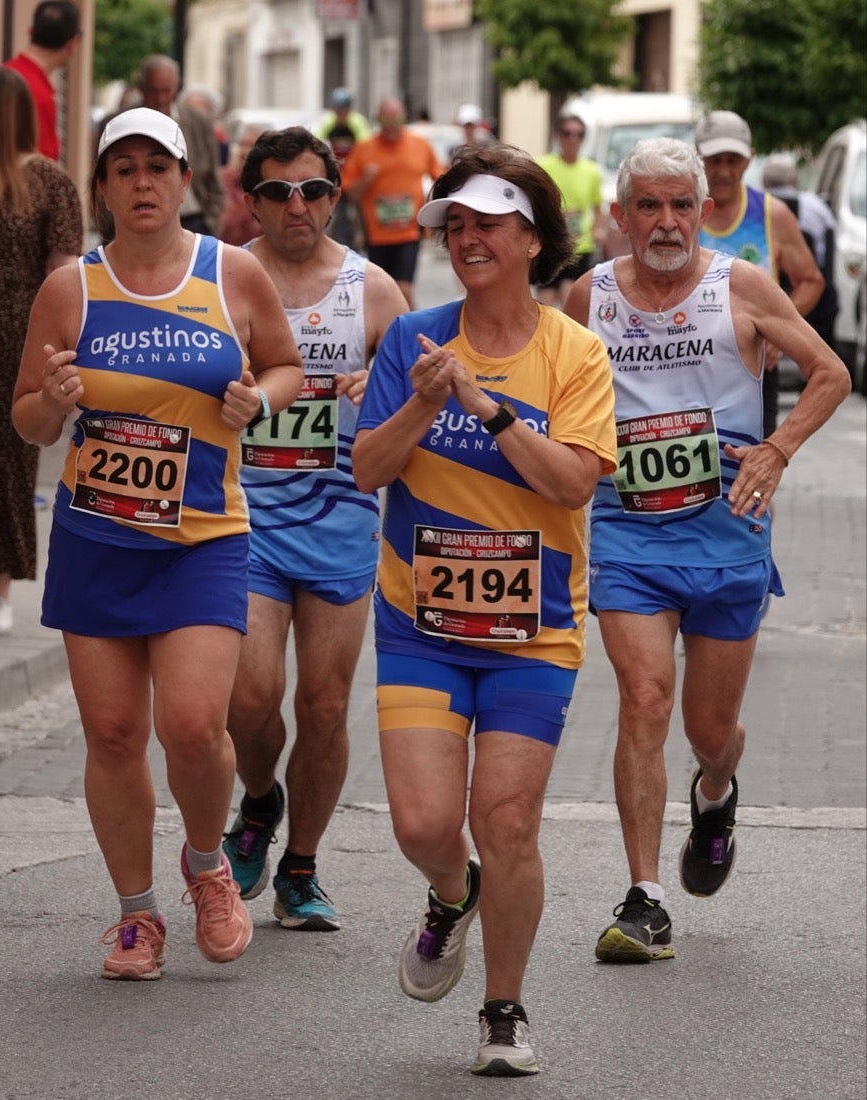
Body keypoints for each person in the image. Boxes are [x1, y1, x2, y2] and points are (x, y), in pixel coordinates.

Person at [10, 107, 304, 981]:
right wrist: (55, 403)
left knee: (192, 724)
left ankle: (207, 864)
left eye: (158, 167)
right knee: (109, 733)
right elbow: (26, 414)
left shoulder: (234, 273)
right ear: (101, 185)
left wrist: (266, 400)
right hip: (97, 538)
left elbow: (285, 366)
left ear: (185, 179)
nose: (142, 183)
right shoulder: (71, 287)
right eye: (123, 168)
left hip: (201, 538)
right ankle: (137, 917)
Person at [351, 145, 617, 1075]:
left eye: (485, 225)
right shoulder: (414, 341)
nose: (465, 240)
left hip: (533, 630)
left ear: (531, 239)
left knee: (507, 823)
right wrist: (426, 406)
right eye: (453, 226)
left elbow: (573, 484)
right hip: (420, 623)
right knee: (427, 823)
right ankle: (447, 889)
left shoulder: (575, 352)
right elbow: (368, 470)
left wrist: (489, 408)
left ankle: (503, 1011)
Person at [563, 137, 851, 964]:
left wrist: (776, 448)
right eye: (647, 206)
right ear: (621, 216)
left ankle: (717, 792)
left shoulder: (743, 286)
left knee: (708, 727)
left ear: (702, 210)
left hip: (728, 530)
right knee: (646, 699)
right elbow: (548, 384)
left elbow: (829, 371)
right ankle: (643, 897)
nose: (664, 221)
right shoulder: (593, 295)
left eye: (679, 205)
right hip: (626, 529)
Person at [222, 126, 409, 931]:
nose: (296, 206)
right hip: (245, 515)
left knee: (325, 706)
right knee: (252, 693)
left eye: (313, 190)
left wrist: (385, 385)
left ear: (337, 195)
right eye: (276, 191)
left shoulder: (372, 291)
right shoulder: (222, 278)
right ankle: (259, 800)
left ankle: (301, 865)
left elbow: (415, 415)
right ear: (251, 200)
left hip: (339, 518)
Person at [0, 64, 82, 635]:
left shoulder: (49, 183)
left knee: (10, 468)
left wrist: (61, 351)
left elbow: (63, 273)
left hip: (19, 344)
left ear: (0, 110)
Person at [695, 111, 824, 435]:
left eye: (733, 160)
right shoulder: (679, 212)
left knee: (752, 471)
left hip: (755, 371)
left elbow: (810, 280)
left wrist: (776, 328)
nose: (723, 171)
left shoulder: (772, 215)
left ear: (749, 160)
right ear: (696, 158)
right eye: (714, 160)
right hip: (689, 369)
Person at [97, 56, 226, 238]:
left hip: (195, 220)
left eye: (167, 90)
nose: (160, 98)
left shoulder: (199, 122)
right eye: (153, 91)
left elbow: (214, 176)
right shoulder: (116, 124)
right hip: (134, 225)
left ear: (177, 87)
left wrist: (212, 220)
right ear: (142, 88)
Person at [341, 97, 443, 309]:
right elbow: (350, 193)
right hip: (376, 235)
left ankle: (411, 334)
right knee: (381, 292)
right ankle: (385, 335)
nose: (392, 127)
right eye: (387, 121)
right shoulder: (364, 149)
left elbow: (440, 179)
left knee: (404, 289)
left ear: (404, 118)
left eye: (397, 120)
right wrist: (367, 180)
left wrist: (435, 213)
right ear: (378, 120)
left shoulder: (420, 145)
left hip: (409, 232)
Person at [762, 152, 838, 352]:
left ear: (763, 180)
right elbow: (830, 249)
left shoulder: (754, 208)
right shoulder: (817, 207)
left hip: (766, 295)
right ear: (794, 179)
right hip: (817, 301)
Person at [536, 113, 605, 307]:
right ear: (558, 136)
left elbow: (597, 205)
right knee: (546, 302)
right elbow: (535, 201)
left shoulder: (591, 171)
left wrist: (597, 230)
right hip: (549, 240)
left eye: (579, 134)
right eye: (567, 133)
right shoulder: (544, 166)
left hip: (578, 243)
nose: (572, 139)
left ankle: (566, 337)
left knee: (569, 298)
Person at [4, 0, 82, 162]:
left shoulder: (1, 74)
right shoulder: (40, 96)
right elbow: (42, 166)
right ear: (72, 44)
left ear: (31, 32)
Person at [314, 87, 371, 251]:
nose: (341, 114)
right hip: (338, 174)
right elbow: (316, 144)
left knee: (361, 210)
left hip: (354, 175)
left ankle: (364, 238)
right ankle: (339, 241)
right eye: (338, 110)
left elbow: (364, 149)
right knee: (337, 212)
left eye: (344, 110)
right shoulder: (328, 122)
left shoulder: (357, 123)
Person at [219, 123, 263, 247]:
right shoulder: (222, 177)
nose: (245, 150)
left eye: (251, 145)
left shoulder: (267, 187)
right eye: (242, 144)